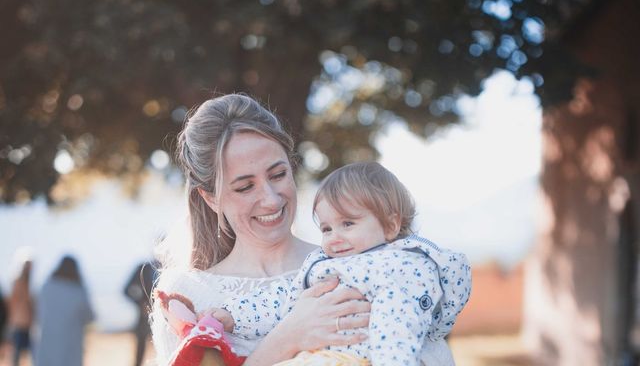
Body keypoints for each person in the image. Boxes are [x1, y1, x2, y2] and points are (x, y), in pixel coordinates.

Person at [151, 94, 371, 366]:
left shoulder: (351, 265)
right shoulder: (186, 296)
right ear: (211, 198)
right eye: (245, 187)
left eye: (278, 174)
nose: (271, 199)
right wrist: (287, 339)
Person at [221, 162, 472, 365]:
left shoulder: (398, 269)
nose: (334, 237)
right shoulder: (327, 265)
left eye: (348, 224)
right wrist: (234, 316)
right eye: (327, 228)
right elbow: (283, 299)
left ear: (391, 225)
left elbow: (397, 328)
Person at [34, 255, 95, 366]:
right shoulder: (78, 291)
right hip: (71, 346)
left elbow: (37, 312)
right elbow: (90, 316)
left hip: (46, 344)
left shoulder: (46, 287)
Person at [124, 260, 159, 366]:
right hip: (144, 319)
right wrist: (140, 304)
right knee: (139, 354)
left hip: (167, 320)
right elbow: (126, 290)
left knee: (164, 352)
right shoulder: (143, 268)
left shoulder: (173, 267)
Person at [8, 258, 33, 366]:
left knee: (29, 353)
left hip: (27, 324)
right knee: (16, 354)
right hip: (18, 323)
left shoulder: (29, 284)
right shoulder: (18, 282)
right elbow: (13, 301)